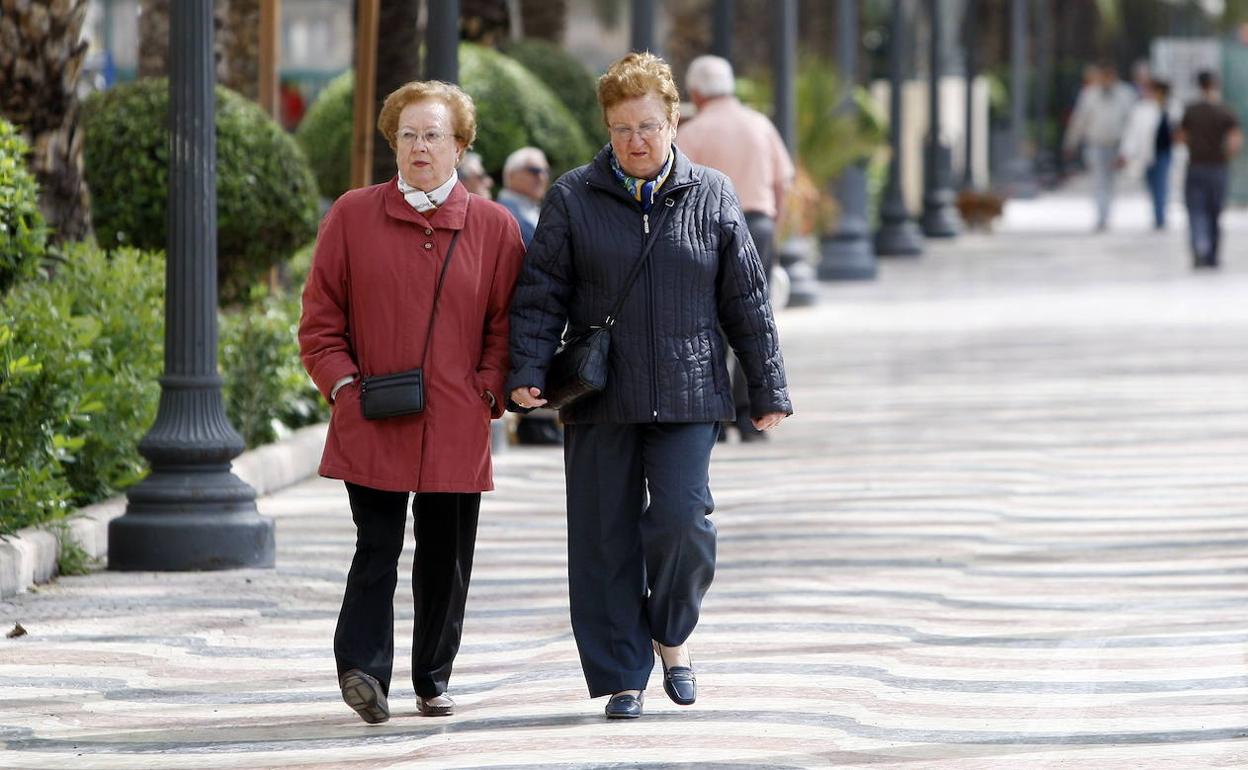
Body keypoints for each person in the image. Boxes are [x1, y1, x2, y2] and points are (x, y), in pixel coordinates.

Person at [506, 52, 792, 720]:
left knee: (684, 522)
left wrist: (767, 387)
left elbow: (747, 300)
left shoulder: (714, 194)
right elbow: (541, 295)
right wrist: (525, 373)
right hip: (600, 394)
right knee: (603, 537)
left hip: (689, 389)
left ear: (673, 121)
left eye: (648, 125)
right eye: (620, 128)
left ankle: (671, 630)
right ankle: (621, 674)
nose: (635, 140)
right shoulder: (573, 197)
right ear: (607, 128)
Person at [298, 80, 524, 724]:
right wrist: (341, 384)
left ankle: (432, 677)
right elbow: (320, 317)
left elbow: (507, 323)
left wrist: (486, 385)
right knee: (377, 544)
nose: (419, 147)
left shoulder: (495, 228)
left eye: (433, 135)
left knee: (446, 554)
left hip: (455, 418)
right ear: (392, 143)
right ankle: (364, 671)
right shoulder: (351, 214)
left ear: (460, 146)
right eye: (407, 135)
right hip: (372, 414)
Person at [678, 55, 794, 443]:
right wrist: (773, 227)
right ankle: (751, 414)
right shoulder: (760, 125)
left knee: (708, 317)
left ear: (695, 92)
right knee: (754, 314)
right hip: (758, 223)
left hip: (706, 227)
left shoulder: (690, 132)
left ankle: (717, 412)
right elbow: (783, 184)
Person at [497, 147, 564, 446]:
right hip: (515, 303)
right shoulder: (504, 213)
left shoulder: (539, 211)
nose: (542, 177)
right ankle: (530, 425)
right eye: (534, 171)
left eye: (545, 171)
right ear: (511, 175)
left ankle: (541, 422)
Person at [1177, 71, 1243, 269]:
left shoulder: (1191, 110)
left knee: (1196, 211)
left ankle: (1199, 245)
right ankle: (1212, 254)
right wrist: (1226, 155)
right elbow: (1235, 141)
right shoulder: (1225, 110)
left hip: (1196, 165)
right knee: (1215, 212)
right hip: (1217, 166)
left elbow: (1180, 136)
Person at [1063, 62, 1136, 231]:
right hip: (1095, 144)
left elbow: (1132, 123)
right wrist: (1071, 143)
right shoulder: (1089, 95)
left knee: (1109, 181)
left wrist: (1129, 149)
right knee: (1098, 181)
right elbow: (1079, 120)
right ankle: (1102, 215)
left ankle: (1106, 212)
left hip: (1116, 145)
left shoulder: (1125, 94)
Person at [1119, 78, 1174, 229]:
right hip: (1148, 153)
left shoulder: (1173, 107)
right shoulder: (1142, 108)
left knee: (1161, 184)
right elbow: (1132, 132)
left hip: (1165, 152)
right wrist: (1126, 152)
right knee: (1151, 184)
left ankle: (1160, 217)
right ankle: (1157, 213)